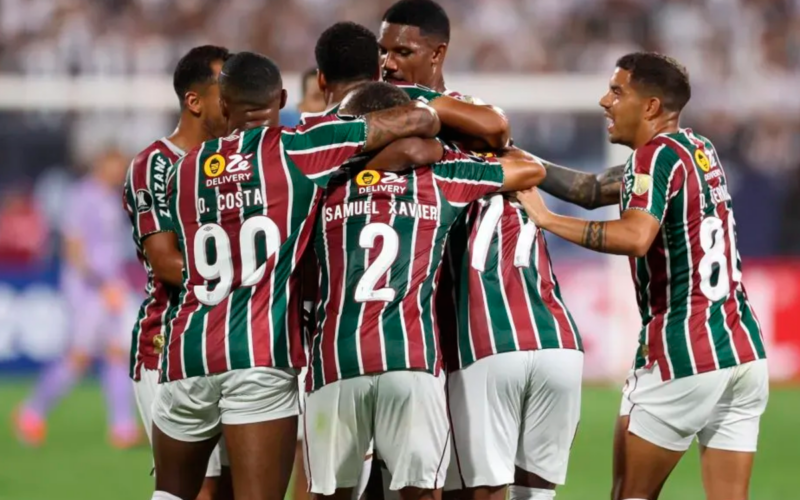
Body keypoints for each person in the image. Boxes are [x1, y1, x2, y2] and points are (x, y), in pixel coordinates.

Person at [150, 51, 441, 500]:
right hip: (258, 352)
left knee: (171, 494)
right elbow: (415, 121)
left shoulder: (183, 169)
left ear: (222, 105)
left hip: (187, 351)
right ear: (283, 99)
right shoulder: (298, 149)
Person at [516, 52, 768, 500]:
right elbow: (591, 191)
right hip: (741, 350)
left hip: (683, 350)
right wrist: (515, 157)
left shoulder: (653, 157)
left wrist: (547, 219)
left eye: (617, 92)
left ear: (650, 107)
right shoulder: (697, 149)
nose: (604, 101)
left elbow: (635, 237)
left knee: (630, 496)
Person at [302, 81, 547, 500]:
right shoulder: (442, 178)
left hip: (335, 362)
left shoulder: (322, 185)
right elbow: (531, 169)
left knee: (329, 494)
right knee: (421, 493)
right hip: (411, 360)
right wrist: (439, 145)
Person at [380, 2, 584, 499]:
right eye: (382, 51)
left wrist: (417, 103)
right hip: (558, 338)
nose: (386, 62)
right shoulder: (506, 158)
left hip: (478, 341)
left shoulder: (433, 160)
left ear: (438, 52)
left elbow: (491, 123)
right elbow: (499, 129)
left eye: (400, 51)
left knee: (464, 488)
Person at [124, 45, 233, 500]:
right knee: (198, 489)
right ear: (194, 101)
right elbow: (166, 262)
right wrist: (250, 269)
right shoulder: (155, 164)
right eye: (226, 90)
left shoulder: (236, 161)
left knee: (234, 486)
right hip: (168, 347)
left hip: (230, 346)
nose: (237, 100)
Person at [15, 149, 138, 448]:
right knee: (79, 357)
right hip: (88, 290)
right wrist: (100, 284)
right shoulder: (83, 196)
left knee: (117, 353)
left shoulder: (111, 197)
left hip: (110, 287)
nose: (120, 172)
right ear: (102, 164)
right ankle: (32, 411)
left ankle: (122, 427)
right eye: (116, 166)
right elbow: (73, 247)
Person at [305, 21, 508, 152]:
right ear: (377, 73)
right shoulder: (406, 97)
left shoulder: (299, 141)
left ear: (321, 79)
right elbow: (495, 125)